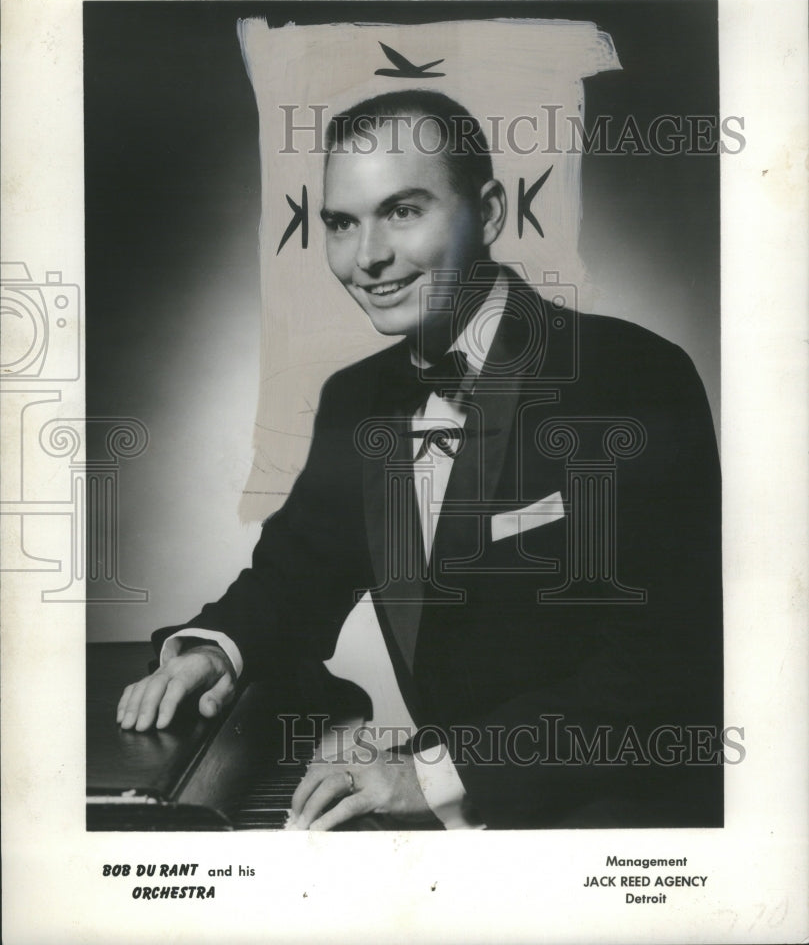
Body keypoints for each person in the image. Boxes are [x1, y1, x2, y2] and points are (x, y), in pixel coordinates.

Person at [117, 90, 723, 830]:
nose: (367, 257)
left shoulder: (630, 375)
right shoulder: (357, 397)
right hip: (454, 822)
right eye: (342, 223)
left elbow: (663, 664)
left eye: (403, 211)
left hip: (623, 836)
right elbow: (298, 575)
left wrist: (434, 774)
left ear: (490, 212)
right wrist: (217, 653)